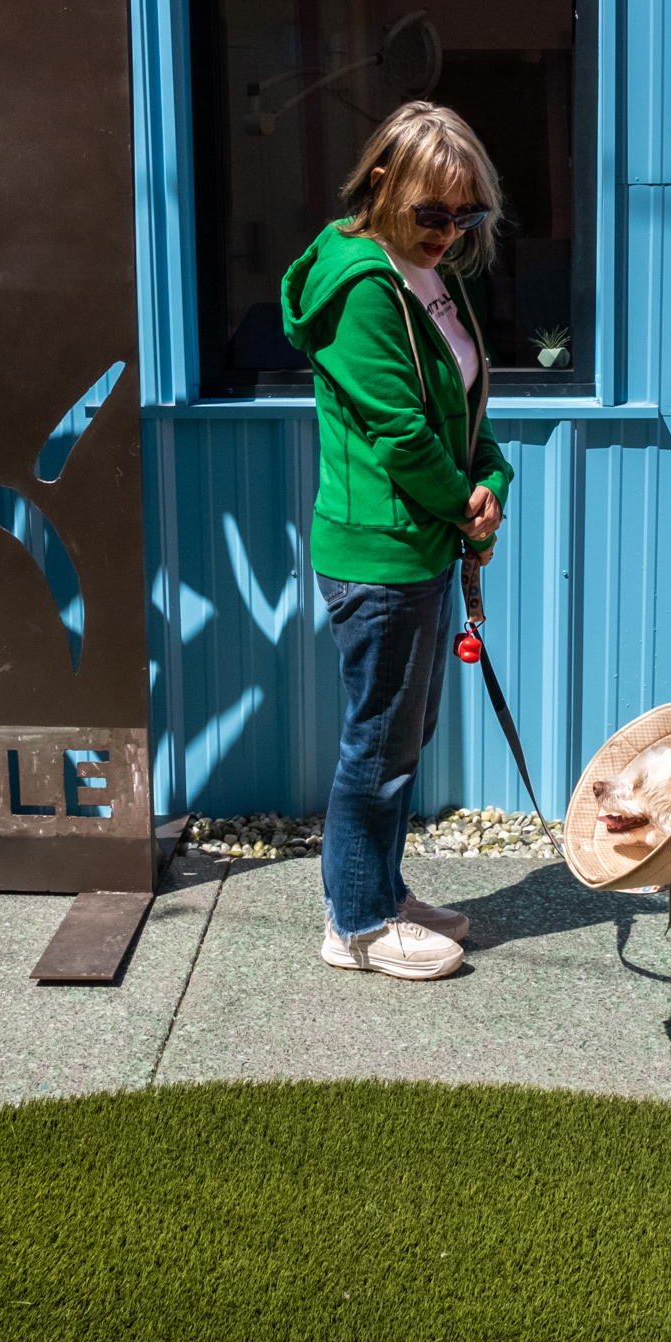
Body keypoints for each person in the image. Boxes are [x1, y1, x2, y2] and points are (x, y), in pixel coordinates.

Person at [280, 102, 514, 980]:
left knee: (399, 740)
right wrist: (466, 506)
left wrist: (490, 481)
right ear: (382, 184)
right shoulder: (362, 288)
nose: (449, 234)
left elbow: (461, 405)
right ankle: (357, 923)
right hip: (379, 554)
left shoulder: (421, 273)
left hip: (420, 544)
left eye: (467, 215)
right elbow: (404, 434)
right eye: (433, 213)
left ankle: (375, 886)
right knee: (376, 744)